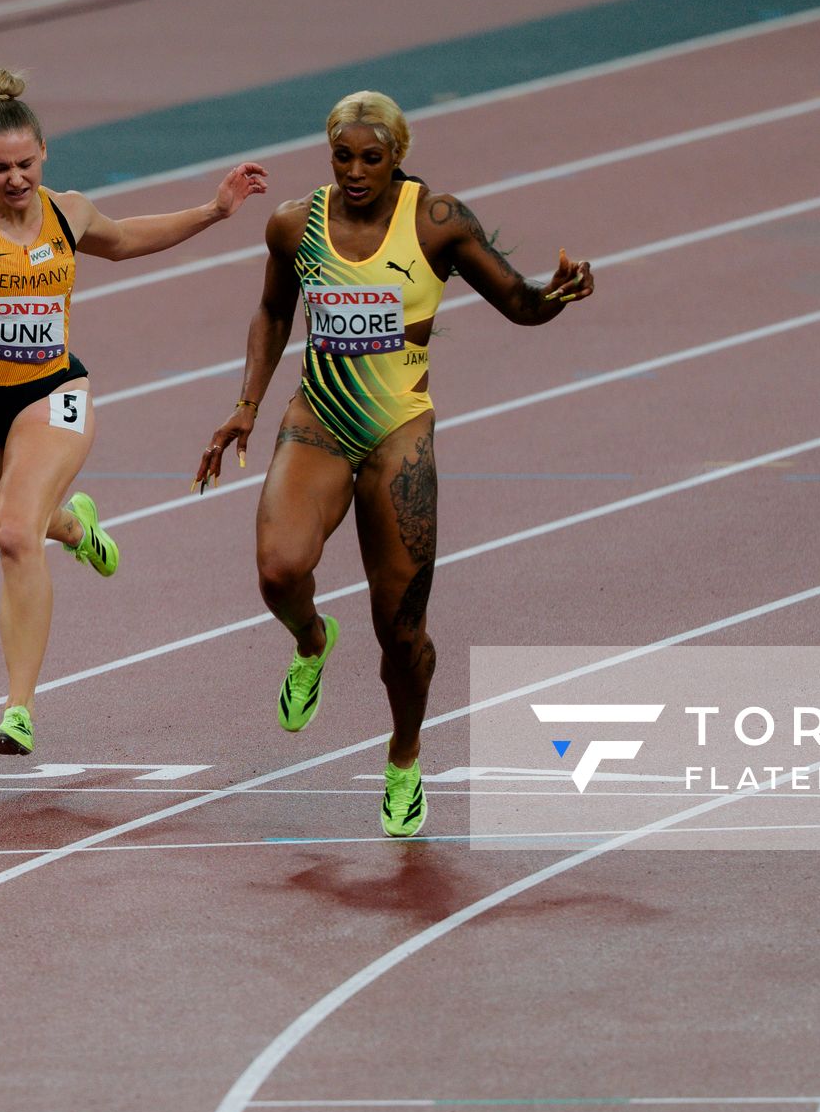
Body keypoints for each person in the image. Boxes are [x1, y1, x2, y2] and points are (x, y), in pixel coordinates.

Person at [195, 90, 594, 836]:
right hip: (317, 420)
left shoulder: (435, 222)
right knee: (278, 571)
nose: (353, 171)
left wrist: (558, 295)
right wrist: (247, 403)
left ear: (397, 157)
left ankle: (405, 758)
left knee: (400, 630)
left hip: (397, 432)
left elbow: (519, 303)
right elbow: (276, 310)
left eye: (370, 158)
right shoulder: (294, 223)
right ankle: (312, 641)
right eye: (341, 156)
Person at [0, 68, 267, 754]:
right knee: (22, 530)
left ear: (45, 154)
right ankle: (77, 526)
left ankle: (18, 709)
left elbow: (126, 238)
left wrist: (213, 211)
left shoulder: (67, 212)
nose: (15, 179)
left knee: (13, 535)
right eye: (1, 167)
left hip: (56, 395)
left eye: (26, 164)